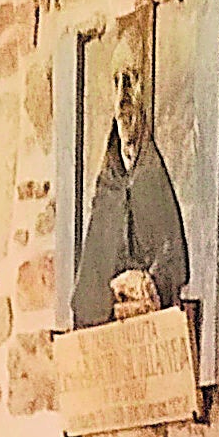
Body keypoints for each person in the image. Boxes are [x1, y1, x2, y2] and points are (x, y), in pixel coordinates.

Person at [73, 47, 192, 328]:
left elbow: (174, 255)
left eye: (132, 79)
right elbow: (89, 281)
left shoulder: (155, 171)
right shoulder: (110, 182)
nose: (122, 97)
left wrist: (148, 281)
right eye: (117, 82)